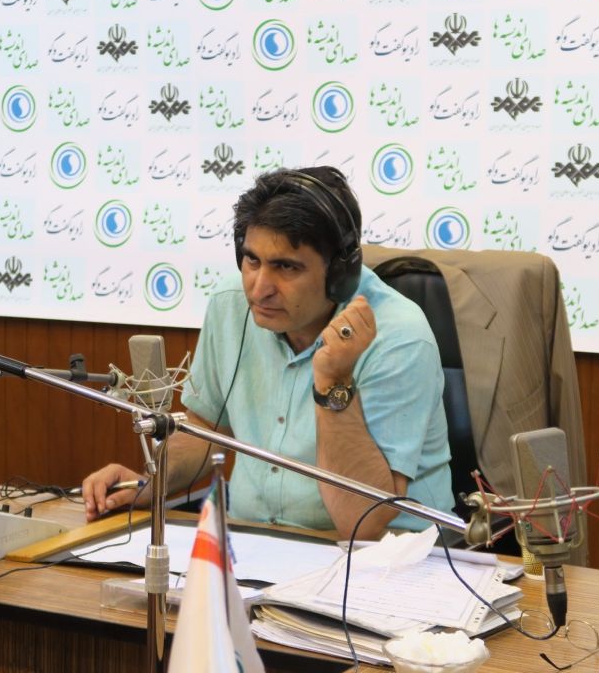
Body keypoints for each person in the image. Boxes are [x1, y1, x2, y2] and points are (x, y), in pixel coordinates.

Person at [82, 166, 454, 538]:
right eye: (252, 260)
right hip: (254, 542)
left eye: (285, 267)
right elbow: (205, 429)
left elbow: (363, 520)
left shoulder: (399, 337)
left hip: (386, 553)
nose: (259, 289)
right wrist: (151, 482)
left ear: (341, 273)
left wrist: (333, 382)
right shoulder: (231, 304)